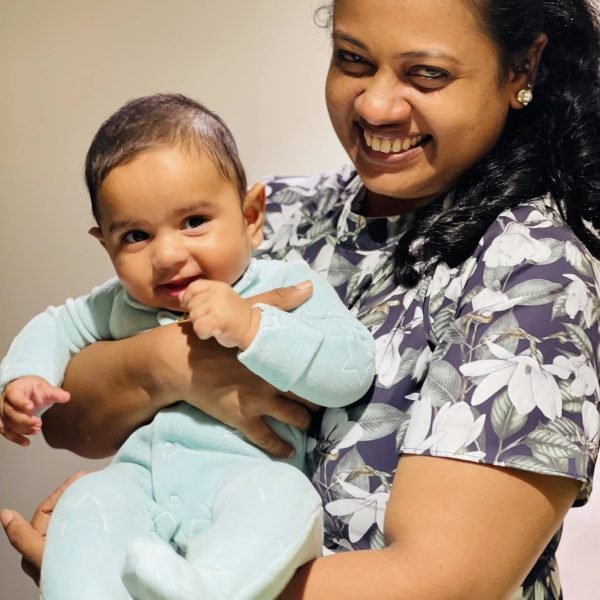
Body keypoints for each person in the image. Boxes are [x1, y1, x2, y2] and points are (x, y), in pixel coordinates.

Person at [2, 0, 600, 598]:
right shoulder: (281, 214)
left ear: (522, 67)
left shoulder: (535, 271)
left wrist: (127, 584)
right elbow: (68, 421)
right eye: (353, 59)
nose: (375, 106)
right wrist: (171, 367)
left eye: (427, 74)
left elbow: (443, 584)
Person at [0, 93, 375, 600]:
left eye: (194, 221)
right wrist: (24, 378)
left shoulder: (287, 284)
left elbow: (351, 371)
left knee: (287, 501)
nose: (168, 255)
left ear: (250, 216)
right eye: (136, 235)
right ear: (106, 245)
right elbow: (56, 326)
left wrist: (253, 327)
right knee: (86, 500)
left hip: (247, 480)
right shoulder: (119, 303)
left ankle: (203, 589)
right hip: (143, 482)